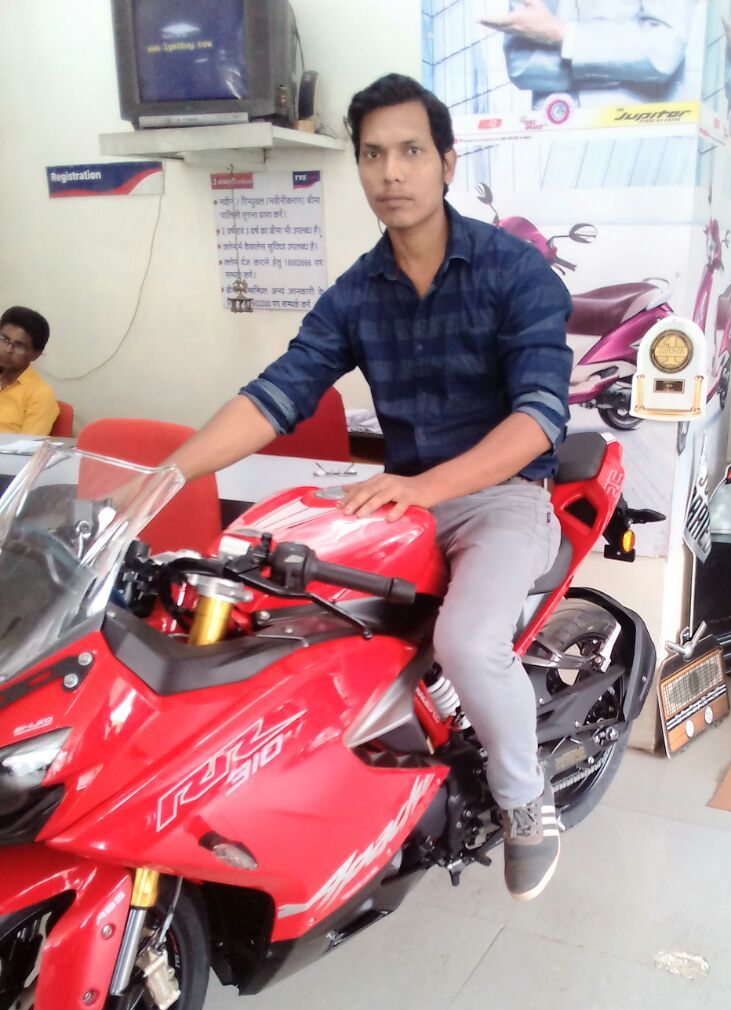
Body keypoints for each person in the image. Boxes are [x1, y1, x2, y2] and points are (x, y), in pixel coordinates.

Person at [164, 73, 573, 901]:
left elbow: (538, 419)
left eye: (411, 151)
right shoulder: (357, 292)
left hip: (499, 496)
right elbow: (278, 392)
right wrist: (169, 473)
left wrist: (426, 488)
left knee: (468, 642)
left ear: (447, 163)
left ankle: (527, 802)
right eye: (373, 154)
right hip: (399, 499)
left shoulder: (515, 272)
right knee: (279, 610)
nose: (391, 172)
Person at [481, 0, 696, 108]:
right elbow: (522, 66)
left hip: (641, 140)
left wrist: (564, 36)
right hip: (552, 140)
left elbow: (663, 49)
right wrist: (623, 68)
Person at [0, 307, 58, 436]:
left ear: (35, 354)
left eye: (19, 345)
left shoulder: (40, 395)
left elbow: (28, 446)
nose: (8, 349)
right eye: (4, 339)